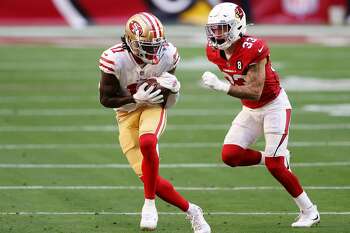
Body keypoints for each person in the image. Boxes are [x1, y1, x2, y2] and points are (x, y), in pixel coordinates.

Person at [201, 2, 320, 228]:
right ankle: (274, 158)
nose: (216, 34)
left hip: (274, 106)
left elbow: (255, 92)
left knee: (276, 168)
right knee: (231, 156)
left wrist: (221, 87)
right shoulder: (213, 51)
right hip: (250, 109)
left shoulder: (253, 48)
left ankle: (310, 211)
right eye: (214, 29)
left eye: (222, 28)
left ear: (237, 27)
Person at [98, 12, 211, 233]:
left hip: (153, 106)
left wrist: (174, 91)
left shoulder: (169, 54)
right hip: (126, 113)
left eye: (157, 44)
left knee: (148, 142)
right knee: (152, 179)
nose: (155, 51)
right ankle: (193, 211)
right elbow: (105, 99)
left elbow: (166, 100)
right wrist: (134, 98)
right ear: (131, 42)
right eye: (147, 45)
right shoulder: (114, 58)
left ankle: (149, 204)